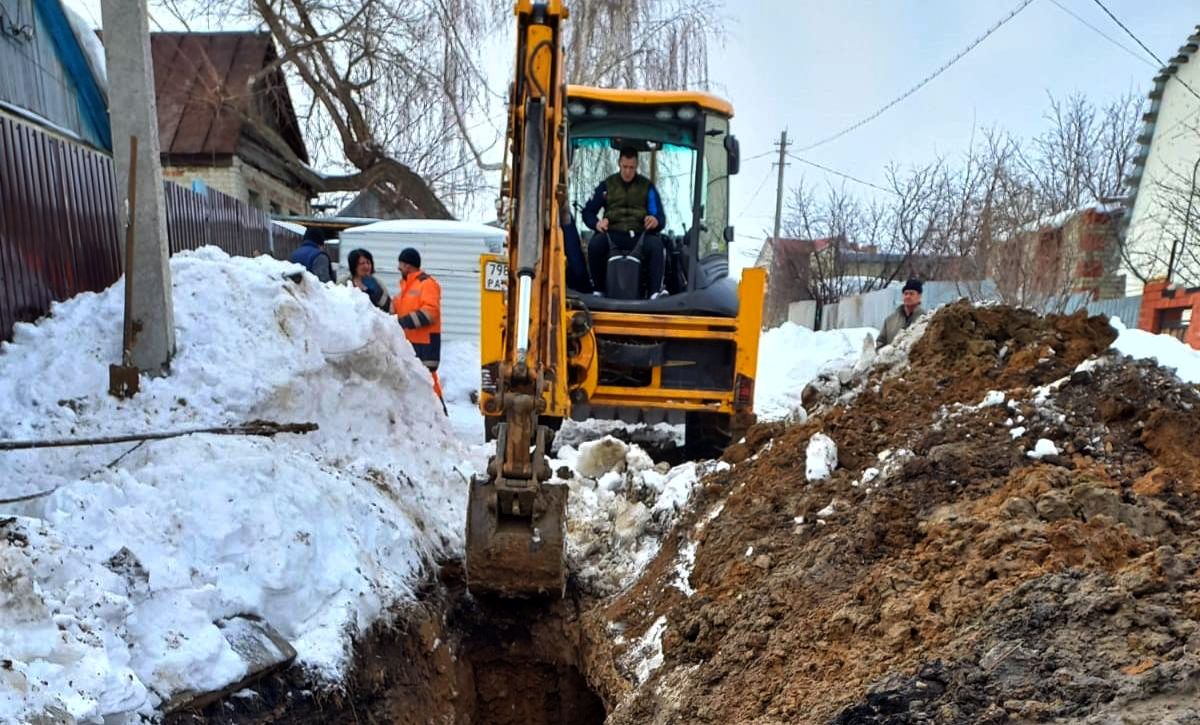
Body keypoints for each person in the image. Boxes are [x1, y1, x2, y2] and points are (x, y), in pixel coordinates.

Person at [581, 146, 667, 299]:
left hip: (639, 235)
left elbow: (660, 217)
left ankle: (655, 292)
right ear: (619, 163)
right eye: (625, 167)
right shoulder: (606, 186)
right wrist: (596, 224)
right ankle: (598, 290)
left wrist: (655, 221)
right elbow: (588, 212)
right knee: (595, 245)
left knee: (656, 246)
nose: (628, 171)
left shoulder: (647, 187)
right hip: (613, 233)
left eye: (632, 167)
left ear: (636, 166)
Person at [392, 247, 447, 413]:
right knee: (418, 382)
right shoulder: (406, 287)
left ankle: (440, 414)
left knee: (428, 382)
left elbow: (431, 312)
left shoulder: (427, 284)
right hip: (411, 343)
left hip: (425, 344)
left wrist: (403, 322)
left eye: (400, 264)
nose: (398, 268)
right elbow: (395, 308)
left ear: (407, 266)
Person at [876, 279, 925, 349]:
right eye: (906, 293)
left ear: (919, 296)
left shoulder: (925, 320)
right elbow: (880, 342)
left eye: (911, 294)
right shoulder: (890, 320)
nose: (908, 296)